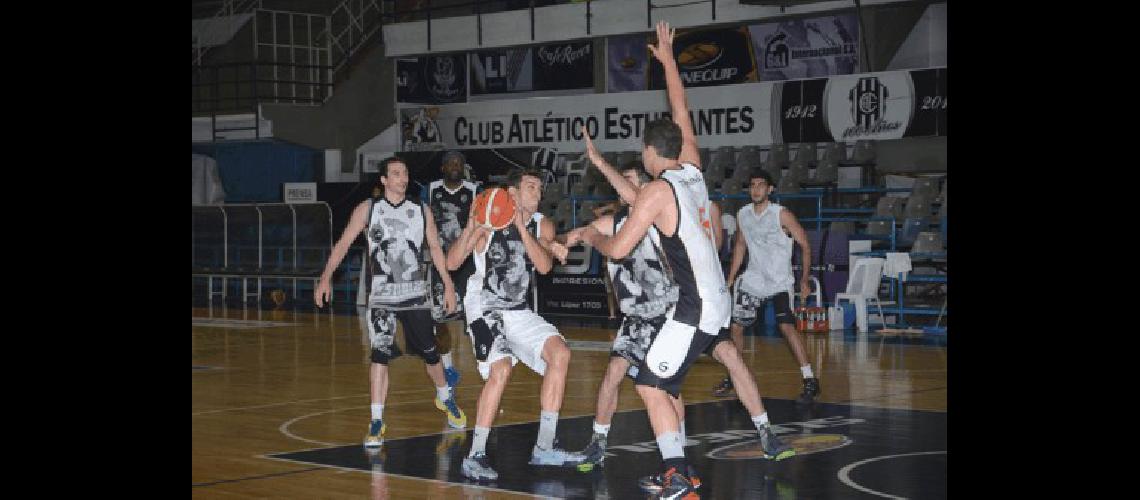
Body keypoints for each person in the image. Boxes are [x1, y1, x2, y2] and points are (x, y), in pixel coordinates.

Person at [567, 21, 793, 498]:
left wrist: (593, 236)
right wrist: (669, 61)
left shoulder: (655, 190)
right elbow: (682, 109)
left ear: (651, 153)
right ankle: (679, 468)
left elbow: (620, 247)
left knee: (649, 386)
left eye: (642, 150)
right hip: (711, 304)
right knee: (660, 383)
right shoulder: (692, 168)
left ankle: (679, 474)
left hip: (692, 307)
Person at [314, 157, 467, 447]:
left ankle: (445, 397)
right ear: (383, 180)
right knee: (380, 356)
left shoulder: (420, 210)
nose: (403, 177)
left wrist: (447, 285)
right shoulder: (368, 210)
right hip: (382, 297)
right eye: (396, 173)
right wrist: (325, 278)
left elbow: (435, 248)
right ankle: (376, 420)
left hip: (415, 295)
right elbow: (344, 244)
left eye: (405, 173)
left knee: (431, 355)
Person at [447, 168, 584, 482]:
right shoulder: (488, 223)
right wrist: (470, 227)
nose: (538, 193)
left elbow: (545, 266)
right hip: (484, 307)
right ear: (512, 193)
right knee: (502, 368)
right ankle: (476, 454)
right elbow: (453, 263)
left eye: (540, 188)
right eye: (531, 187)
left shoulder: (542, 225)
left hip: (519, 311)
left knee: (560, 354)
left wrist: (523, 229)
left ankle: (545, 446)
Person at [715, 169, 821, 402]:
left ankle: (810, 379)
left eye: (761, 185)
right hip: (753, 279)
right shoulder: (743, 214)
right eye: (752, 185)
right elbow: (741, 245)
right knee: (736, 327)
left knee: (786, 327)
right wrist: (731, 278)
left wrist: (804, 280)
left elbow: (805, 245)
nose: (756, 189)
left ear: (770, 189)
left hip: (779, 280)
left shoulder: (781, 214)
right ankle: (733, 376)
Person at [424, 150, 481, 390]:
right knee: (439, 319)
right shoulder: (431, 190)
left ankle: (487, 365)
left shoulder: (474, 190)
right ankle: (447, 368)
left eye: (459, 163)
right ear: (443, 168)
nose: (455, 166)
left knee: (476, 320)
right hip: (441, 264)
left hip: (468, 264)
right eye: (451, 163)